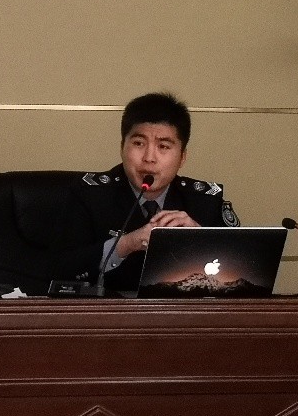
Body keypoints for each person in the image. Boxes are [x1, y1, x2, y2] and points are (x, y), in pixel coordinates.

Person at [51, 91, 239, 293]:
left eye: (163, 146)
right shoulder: (88, 195)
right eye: (139, 143)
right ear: (122, 147)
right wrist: (126, 244)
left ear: (182, 157)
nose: (149, 158)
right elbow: (57, 269)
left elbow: (245, 273)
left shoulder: (205, 202)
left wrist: (200, 239)